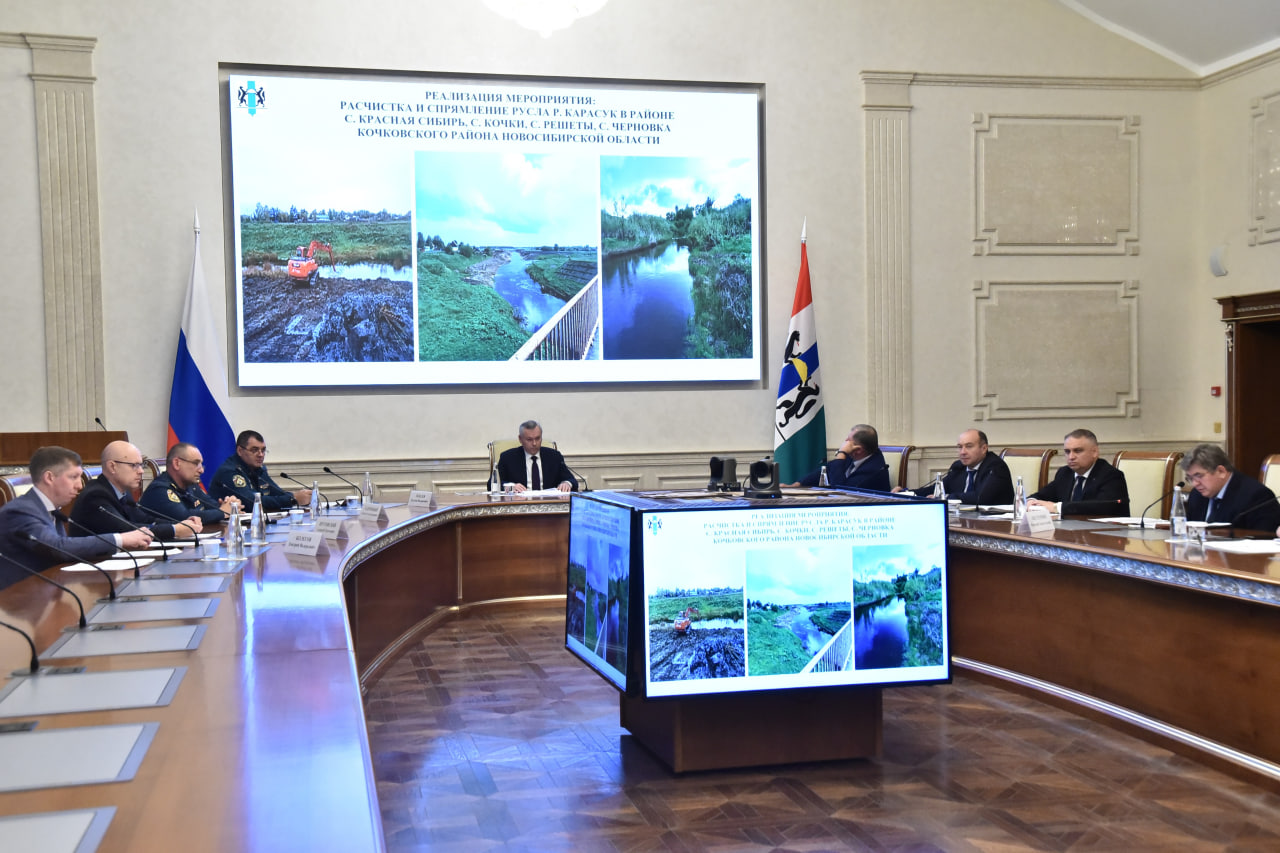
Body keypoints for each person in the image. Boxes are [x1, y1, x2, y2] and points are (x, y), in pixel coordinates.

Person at [0, 446, 152, 589]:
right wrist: (120, 539)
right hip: (17, 600)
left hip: (48, 592)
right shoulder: (20, 511)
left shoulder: (50, 509)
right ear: (49, 477)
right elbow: (57, 548)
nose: (80, 485)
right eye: (73, 477)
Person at [71, 440, 203, 541]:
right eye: (134, 465)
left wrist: (181, 524)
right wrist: (174, 530)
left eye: (141, 465)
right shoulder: (95, 496)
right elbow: (127, 529)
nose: (141, 471)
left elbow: (145, 519)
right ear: (112, 467)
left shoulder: (123, 492)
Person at [1028, 428, 1129, 516]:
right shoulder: (1065, 473)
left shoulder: (1111, 475)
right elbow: (1042, 495)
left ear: (1094, 452)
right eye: (1067, 452)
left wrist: (1057, 507)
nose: (1071, 457)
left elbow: (1101, 507)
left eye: (1078, 451)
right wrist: (1031, 502)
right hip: (1069, 530)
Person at [896, 429, 1014, 505]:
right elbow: (935, 490)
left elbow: (981, 497)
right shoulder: (958, 467)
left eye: (969, 446)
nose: (963, 452)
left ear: (984, 448)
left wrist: (946, 497)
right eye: (960, 447)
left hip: (994, 525)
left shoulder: (996, 467)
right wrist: (905, 493)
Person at [1182, 443, 1280, 532]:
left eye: (1199, 476)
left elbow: (1263, 537)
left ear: (1221, 471)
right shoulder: (1196, 495)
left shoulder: (1256, 496)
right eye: (1190, 478)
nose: (1195, 483)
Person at [210, 429, 312, 511]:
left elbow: (278, 493)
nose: (261, 455)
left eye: (263, 450)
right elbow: (252, 502)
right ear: (240, 451)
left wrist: (296, 496)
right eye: (255, 450)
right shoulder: (230, 472)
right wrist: (292, 499)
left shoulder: (259, 469)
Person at [140, 442, 240, 524]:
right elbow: (184, 517)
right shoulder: (159, 489)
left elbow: (212, 505)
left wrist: (230, 505)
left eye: (201, 464)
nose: (201, 470)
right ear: (177, 463)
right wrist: (223, 512)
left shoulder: (191, 486)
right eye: (196, 463)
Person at [794, 424, 891, 491]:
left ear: (858, 450)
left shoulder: (873, 470)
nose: (845, 442)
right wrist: (798, 484)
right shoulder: (856, 456)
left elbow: (841, 490)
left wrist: (841, 454)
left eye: (848, 440)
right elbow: (827, 471)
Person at [493, 421, 578, 492]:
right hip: (520, 503)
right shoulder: (508, 457)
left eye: (537, 438)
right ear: (520, 439)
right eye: (529, 439)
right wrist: (510, 487)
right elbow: (492, 484)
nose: (534, 443)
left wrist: (567, 483)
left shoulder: (554, 456)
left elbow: (572, 480)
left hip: (548, 503)